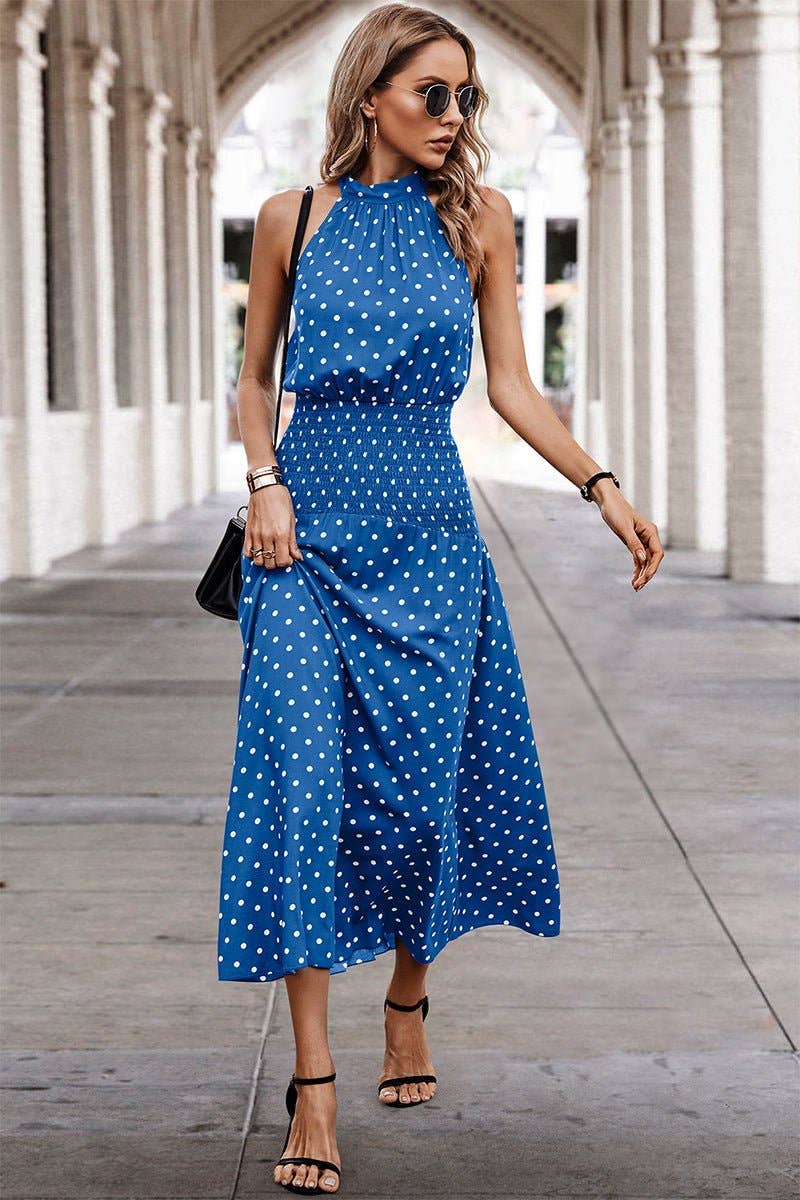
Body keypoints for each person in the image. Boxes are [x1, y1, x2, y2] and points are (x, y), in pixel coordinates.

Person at [217, 4, 665, 1194]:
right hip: (301, 543)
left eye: (464, 97)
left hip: (430, 538)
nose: (451, 116)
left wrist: (599, 482)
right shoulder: (290, 219)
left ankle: (407, 996)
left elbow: (510, 387)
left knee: (422, 800)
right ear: (369, 93)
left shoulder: (478, 220)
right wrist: (262, 482)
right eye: (430, 93)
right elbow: (252, 378)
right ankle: (312, 1082)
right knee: (306, 793)